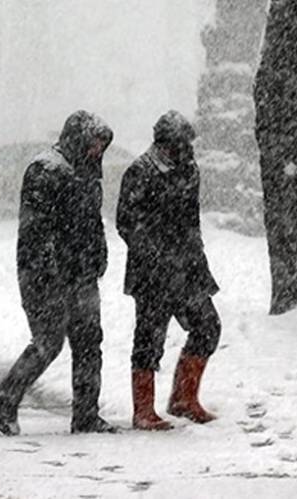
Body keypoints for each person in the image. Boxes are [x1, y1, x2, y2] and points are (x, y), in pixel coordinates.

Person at [0, 110, 119, 436]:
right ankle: (6, 396)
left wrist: (98, 255)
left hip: (82, 274)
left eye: (102, 145)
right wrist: (48, 272)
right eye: (93, 143)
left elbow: (91, 223)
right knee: (48, 341)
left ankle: (86, 415)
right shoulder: (45, 170)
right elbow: (35, 230)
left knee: (89, 343)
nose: (97, 151)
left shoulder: (87, 173)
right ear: (78, 138)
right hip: (47, 276)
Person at [117, 110, 221, 431]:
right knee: (149, 339)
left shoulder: (189, 169)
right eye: (181, 143)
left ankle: (183, 399)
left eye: (188, 143)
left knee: (207, 327)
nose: (187, 149)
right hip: (152, 274)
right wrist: (155, 256)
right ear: (164, 142)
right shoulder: (140, 172)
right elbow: (127, 223)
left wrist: (195, 258)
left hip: (188, 269)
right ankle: (143, 411)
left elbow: (192, 220)